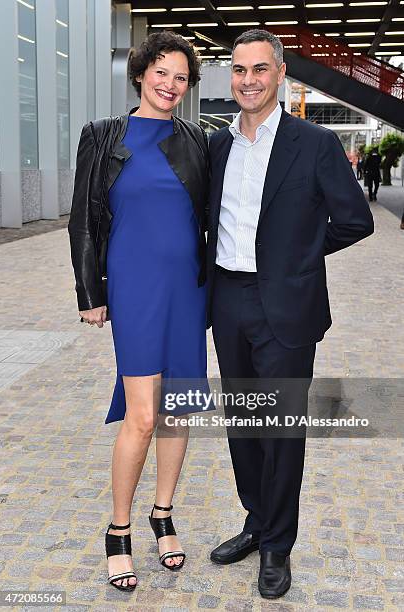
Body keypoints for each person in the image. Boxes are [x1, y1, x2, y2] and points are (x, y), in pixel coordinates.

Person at [206, 29, 374, 600]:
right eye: (238, 69)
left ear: (280, 75)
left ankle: (278, 544)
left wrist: (296, 254)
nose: (247, 80)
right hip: (228, 301)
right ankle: (256, 522)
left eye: (259, 69)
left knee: (281, 429)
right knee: (244, 425)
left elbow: (356, 220)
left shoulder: (314, 142)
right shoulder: (219, 146)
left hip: (287, 306)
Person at [68, 31, 211, 592]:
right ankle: (119, 530)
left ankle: (164, 514)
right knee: (143, 415)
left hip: (187, 290)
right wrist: (90, 293)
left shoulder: (198, 139)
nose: (171, 85)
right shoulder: (104, 136)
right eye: (161, 73)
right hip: (133, 288)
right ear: (139, 73)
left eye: (181, 77)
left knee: (178, 412)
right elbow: (83, 219)